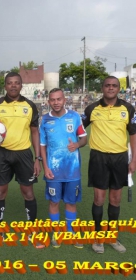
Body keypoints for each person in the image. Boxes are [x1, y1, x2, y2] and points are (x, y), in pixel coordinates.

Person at [0, 72, 42, 249]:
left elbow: (35, 132)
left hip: (24, 155)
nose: (13, 86)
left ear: (21, 85)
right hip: (3, 154)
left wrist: (37, 157)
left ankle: (32, 231)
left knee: (28, 193)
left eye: (16, 83)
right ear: (5, 86)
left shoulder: (30, 105)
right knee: (0, 193)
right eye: (10, 83)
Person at [82, 76, 136, 254]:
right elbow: (78, 128)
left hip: (120, 159)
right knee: (99, 199)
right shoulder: (91, 109)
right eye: (107, 85)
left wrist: (133, 159)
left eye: (114, 86)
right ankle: (98, 238)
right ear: (102, 88)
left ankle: (112, 236)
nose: (111, 88)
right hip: (99, 159)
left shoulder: (129, 108)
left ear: (119, 89)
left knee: (115, 200)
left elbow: (133, 135)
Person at [40, 88, 87, 249]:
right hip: (53, 171)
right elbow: (42, 146)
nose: (56, 102)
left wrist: (77, 144)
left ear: (64, 100)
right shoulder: (45, 120)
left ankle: (71, 233)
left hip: (72, 169)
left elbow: (84, 138)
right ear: (48, 102)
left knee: (71, 202)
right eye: (52, 100)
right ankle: (57, 234)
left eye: (59, 99)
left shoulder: (74, 117)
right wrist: (45, 167)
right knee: (54, 202)